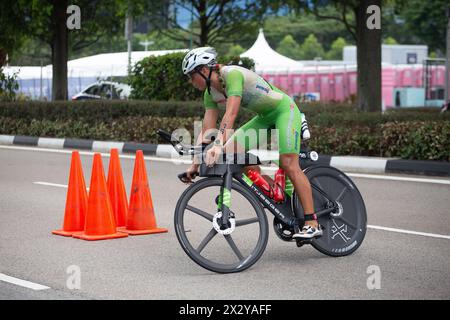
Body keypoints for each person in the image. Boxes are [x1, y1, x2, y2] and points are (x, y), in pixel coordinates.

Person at [182, 47, 321, 239]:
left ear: (204, 70)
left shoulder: (232, 75)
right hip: (264, 117)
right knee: (232, 154)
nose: (190, 82)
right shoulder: (210, 94)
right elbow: (207, 131)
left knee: (289, 163)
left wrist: (217, 144)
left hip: (284, 111)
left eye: (191, 76)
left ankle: (312, 222)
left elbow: (231, 114)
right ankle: (276, 192)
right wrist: (195, 163)